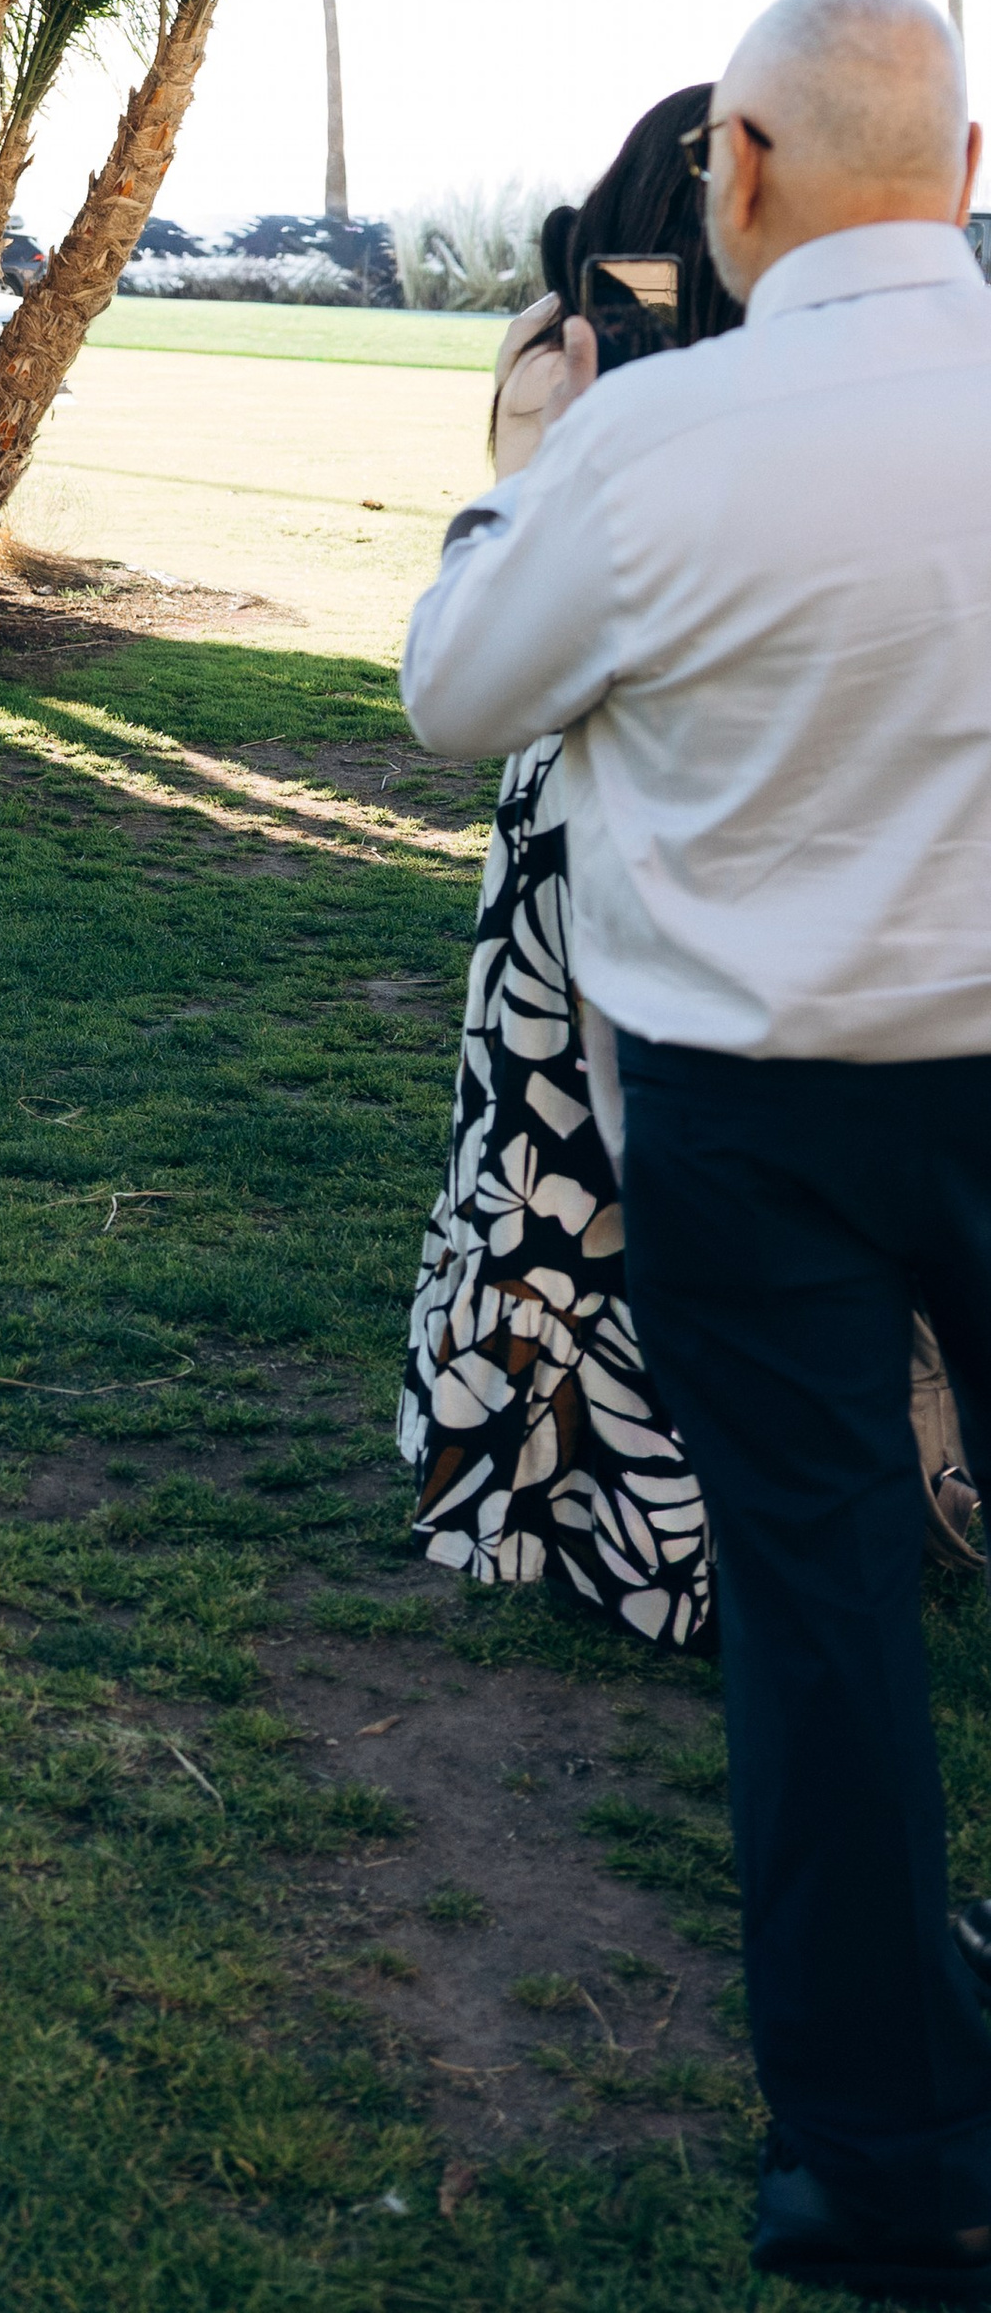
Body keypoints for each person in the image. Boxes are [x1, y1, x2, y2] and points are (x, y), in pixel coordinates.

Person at [402, 0, 991, 2300]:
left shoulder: (654, 447)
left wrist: (519, 477)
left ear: (733, 167)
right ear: (954, 165)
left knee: (824, 1615)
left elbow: (454, 688)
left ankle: (886, 2153)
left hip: (750, 1099)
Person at [399, 85, 731, 1649]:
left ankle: (536, 1485)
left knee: (549, 1147)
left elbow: (461, 673)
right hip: (632, 790)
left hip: (600, 792)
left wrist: (529, 449)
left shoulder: (662, 413)